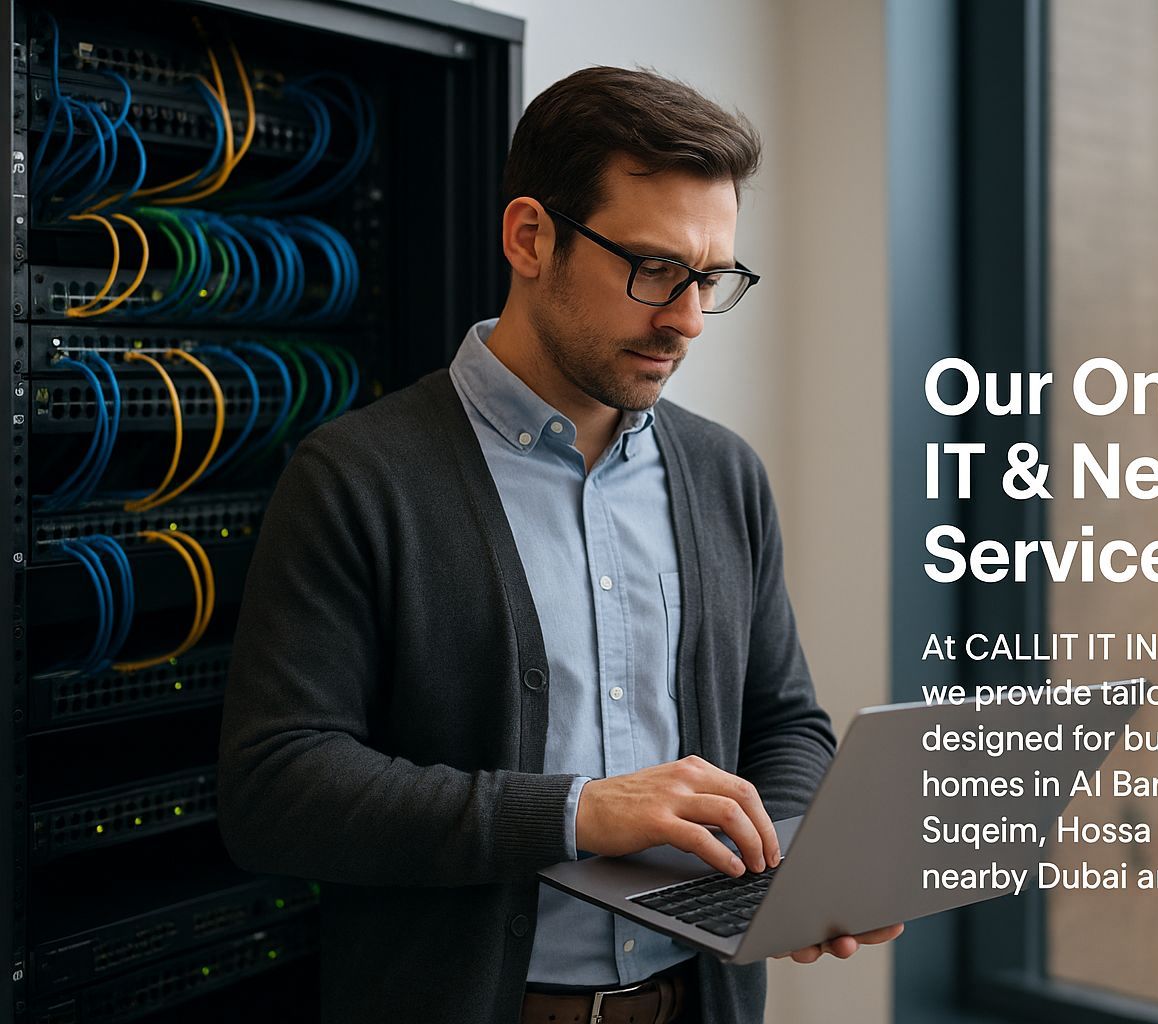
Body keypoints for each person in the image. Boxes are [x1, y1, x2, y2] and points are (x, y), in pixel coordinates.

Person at [217, 66, 901, 1024]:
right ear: (530, 236)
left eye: (712, 279)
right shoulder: (356, 478)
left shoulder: (723, 474)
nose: (688, 320)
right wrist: (575, 813)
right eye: (656, 270)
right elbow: (275, 789)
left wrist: (787, 864)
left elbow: (783, 723)